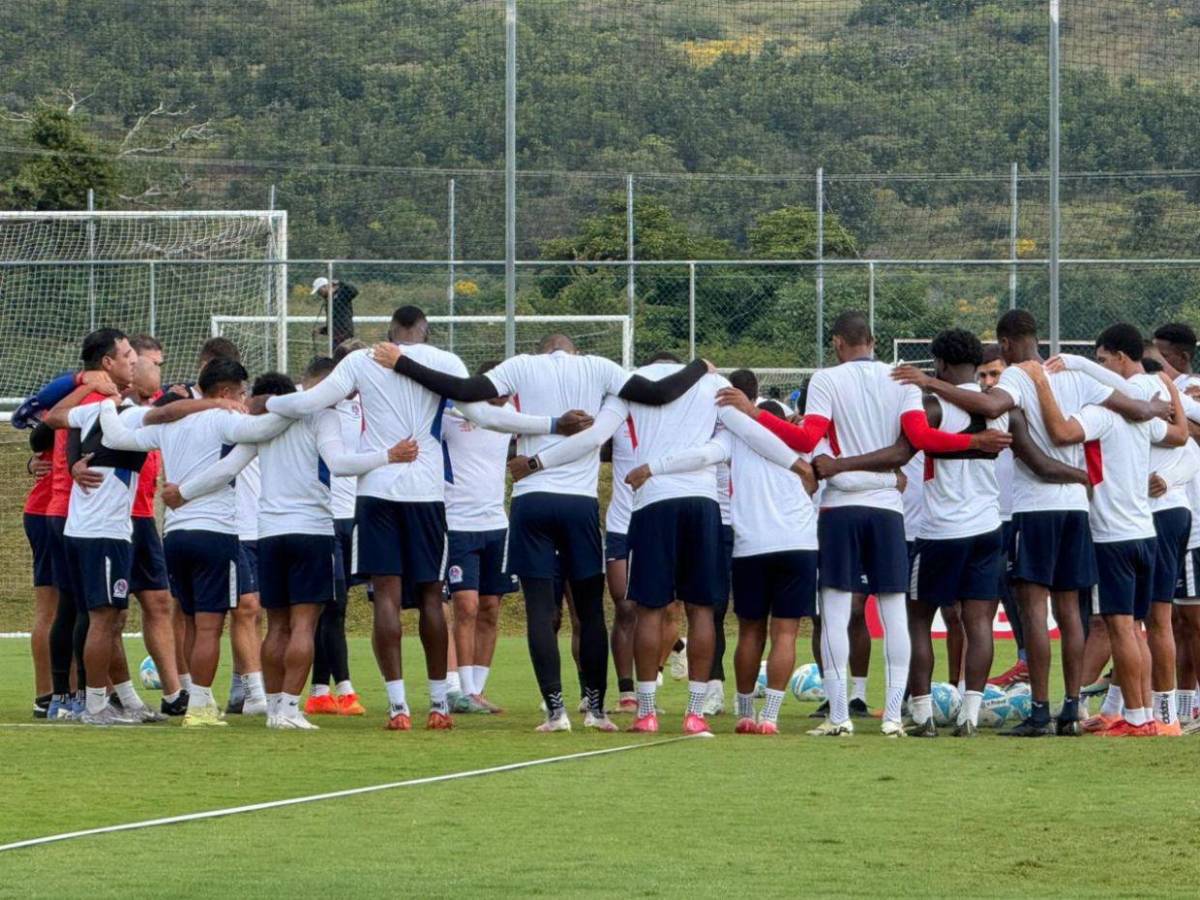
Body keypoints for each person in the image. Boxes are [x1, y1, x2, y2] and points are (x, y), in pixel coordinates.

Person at [254, 306, 571, 731]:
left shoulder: (361, 359)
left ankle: (397, 707)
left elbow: (312, 400)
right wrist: (551, 423)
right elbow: (485, 415)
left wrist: (267, 401)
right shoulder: (446, 361)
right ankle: (439, 704)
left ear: (390, 332)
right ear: (426, 331)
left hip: (376, 491)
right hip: (425, 493)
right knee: (429, 597)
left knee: (385, 598)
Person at [379, 334, 712, 733]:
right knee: (588, 612)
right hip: (578, 504)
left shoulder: (521, 365)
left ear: (544, 351)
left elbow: (464, 390)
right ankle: (596, 709)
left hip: (532, 502)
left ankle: (556, 712)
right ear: (573, 351)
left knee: (542, 612)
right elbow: (659, 393)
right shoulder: (600, 368)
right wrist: (699, 366)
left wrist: (402, 363)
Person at [725, 311, 1010, 737]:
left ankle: (839, 718)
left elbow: (805, 440)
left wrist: (752, 411)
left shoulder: (826, 379)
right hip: (888, 509)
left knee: (837, 612)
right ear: (873, 341)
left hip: (841, 505)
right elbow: (922, 440)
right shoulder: (902, 381)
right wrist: (974, 441)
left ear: (838, 343)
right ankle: (894, 718)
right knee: (895, 610)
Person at [510, 353, 814, 736]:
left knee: (650, 609)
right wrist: (797, 464)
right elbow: (752, 434)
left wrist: (537, 462)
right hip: (702, 505)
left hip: (652, 503)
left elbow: (593, 437)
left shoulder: (631, 385)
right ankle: (694, 713)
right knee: (701, 610)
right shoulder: (711, 384)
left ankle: (647, 712)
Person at [893, 309, 1163, 737]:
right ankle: (1070, 710)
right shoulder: (1073, 374)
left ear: (1004, 343)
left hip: (1034, 508)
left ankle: (1040, 710)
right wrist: (1162, 403)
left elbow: (989, 405)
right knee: (1070, 610)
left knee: (1035, 611)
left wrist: (930, 382)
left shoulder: (1018, 377)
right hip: (1077, 508)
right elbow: (1134, 408)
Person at [173, 370, 414, 729]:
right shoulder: (321, 417)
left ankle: (273, 708)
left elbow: (226, 469)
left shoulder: (261, 426)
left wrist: (183, 492)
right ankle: (288, 708)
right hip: (311, 530)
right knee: (305, 624)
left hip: (269, 533)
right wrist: (388, 456)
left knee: (277, 626)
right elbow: (340, 464)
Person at [99, 357, 292, 726]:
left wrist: (108, 406)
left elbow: (118, 436)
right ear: (224, 392)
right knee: (209, 626)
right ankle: (202, 706)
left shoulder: (173, 423)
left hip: (174, 535)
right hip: (215, 532)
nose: (243, 399)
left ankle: (193, 697)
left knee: (187, 620)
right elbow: (266, 429)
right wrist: (298, 405)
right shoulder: (225, 418)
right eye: (240, 392)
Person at [1020, 324, 1187, 735]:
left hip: (1112, 535)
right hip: (1144, 531)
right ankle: (1145, 714)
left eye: (1100, 361)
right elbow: (1181, 436)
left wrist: (1040, 385)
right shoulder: (1142, 418)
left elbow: (1060, 433)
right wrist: (1174, 393)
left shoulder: (1101, 415)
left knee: (1120, 628)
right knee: (1137, 627)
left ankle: (1135, 717)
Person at [43, 328, 165, 726]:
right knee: (102, 618)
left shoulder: (106, 409)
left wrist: (92, 399)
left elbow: (58, 417)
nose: (141, 363)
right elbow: (52, 419)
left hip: (90, 530)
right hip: (102, 534)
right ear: (110, 366)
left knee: (111, 618)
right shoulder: (128, 415)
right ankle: (95, 705)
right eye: (133, 357)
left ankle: (124, 700)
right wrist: (97, 394)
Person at [899, 330, 1007, 738]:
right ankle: (969, 717)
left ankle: (923, 715)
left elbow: (907, 447)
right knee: (979, 622)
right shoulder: (997, 407)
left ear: (939, 364)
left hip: (942, 530)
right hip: (987, 526)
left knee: (919, 619)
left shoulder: (933, 404)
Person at [440, 361, 519, 714]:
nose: (505, 396)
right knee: (465, 605)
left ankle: (477, 691)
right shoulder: (451, 415)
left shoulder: (514, 415)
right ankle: (459, 688)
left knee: (490, 608)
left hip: (496, 524)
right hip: (457, 523)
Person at [307, 346, 369, 717]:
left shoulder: (363, 406)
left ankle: (319, 690)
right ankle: (340, 688)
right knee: (331, 605)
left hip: (353, 515)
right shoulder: (310, 411)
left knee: (336, 607)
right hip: (324, 516)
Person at [1152, 323, 1200, 731]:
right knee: (1179, 622)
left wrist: (1177, 413)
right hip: (1181, 520)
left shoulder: (1189, 391)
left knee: (1188, 622)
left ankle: (1188, 706)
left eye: (1160, 353)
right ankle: (1185, 707)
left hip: (1192, 520)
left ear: (1179, 358)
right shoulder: (1165, 392)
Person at [976, 345, 1029, 688]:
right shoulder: (973, 414)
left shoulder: (1021, 410)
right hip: (985, 517)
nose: (988, 381)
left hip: (1019, 514)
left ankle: (1027, 662)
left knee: (1021, 595)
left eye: (995, 373)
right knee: (982, 601)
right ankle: (972, 683)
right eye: (982, 375)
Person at [311, 277, 359, 349]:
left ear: (325, 287)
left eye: (319, 291)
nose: (319, 294)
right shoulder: (328, 301)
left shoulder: (341, 293)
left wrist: (340, 282)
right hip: (336, 335)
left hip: (344, 334)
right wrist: (320, 330)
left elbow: (354, 291)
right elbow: (332, 324)